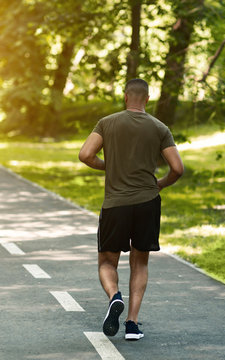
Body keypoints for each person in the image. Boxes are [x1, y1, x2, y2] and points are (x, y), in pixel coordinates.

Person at [78, 78, 184, 341]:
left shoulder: (107, 123)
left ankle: (115, 296)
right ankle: (133, 325)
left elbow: (85, 155)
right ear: (147, 99)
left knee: (106, 261)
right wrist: (158, 185)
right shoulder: (160, 128)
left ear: (126, 97)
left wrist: (110, 165)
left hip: (116, 204)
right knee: (140, 262)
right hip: (147, 203)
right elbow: (178, 169)